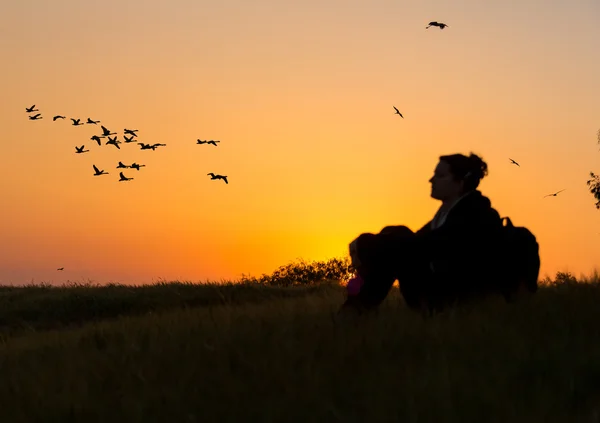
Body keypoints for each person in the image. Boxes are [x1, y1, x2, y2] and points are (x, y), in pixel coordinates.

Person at [340, 152, 505, 316]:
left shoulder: (476, 214)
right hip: (439, 293)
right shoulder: (445, 214)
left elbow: (427, 245)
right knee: (395, 235)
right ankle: (355, 310)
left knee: (398, 242)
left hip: (457, 300)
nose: (431, 180)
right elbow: (416, 243)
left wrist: (365, 243)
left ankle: (354, 311)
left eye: (440, 175)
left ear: (460, 182)